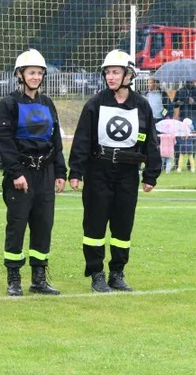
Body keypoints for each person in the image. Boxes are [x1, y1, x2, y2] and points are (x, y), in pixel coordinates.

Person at [68, 50, 161, 293]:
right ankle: (96, 273)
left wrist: (151, 174)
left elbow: (151, 141)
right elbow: (82, 140)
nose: (110, 77)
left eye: (115, 72)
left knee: (122, 227)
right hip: (98, 171)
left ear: (128, 75)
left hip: (128, 174)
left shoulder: (141, 106)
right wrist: (75, 172)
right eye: (108, 72)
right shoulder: (95, 104)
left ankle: (117, 273)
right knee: (95, 226)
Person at [0, 50, 67, 296]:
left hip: (45, 171)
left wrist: (60, 171)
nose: (36, 77)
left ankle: (38, 277)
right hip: (21, 171)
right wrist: (15, 173)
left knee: (44, 224)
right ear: (20, 75)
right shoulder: (8, 104)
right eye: (31, 72)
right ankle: (13, 278)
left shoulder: (47, 103)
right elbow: (5, 142)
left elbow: (55, 140)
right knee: (17, 225)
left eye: (39, 73)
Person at [173, 79, 196, 172]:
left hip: (194, 118)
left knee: (193, 140)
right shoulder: (180, 91)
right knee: (178, 141)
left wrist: (193, 103)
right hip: (182, 118)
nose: (189, 83)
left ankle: (190, 164)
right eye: (188, 81)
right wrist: (178, 103)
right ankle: (177, 163)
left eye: (191, 81)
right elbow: (173, 104)